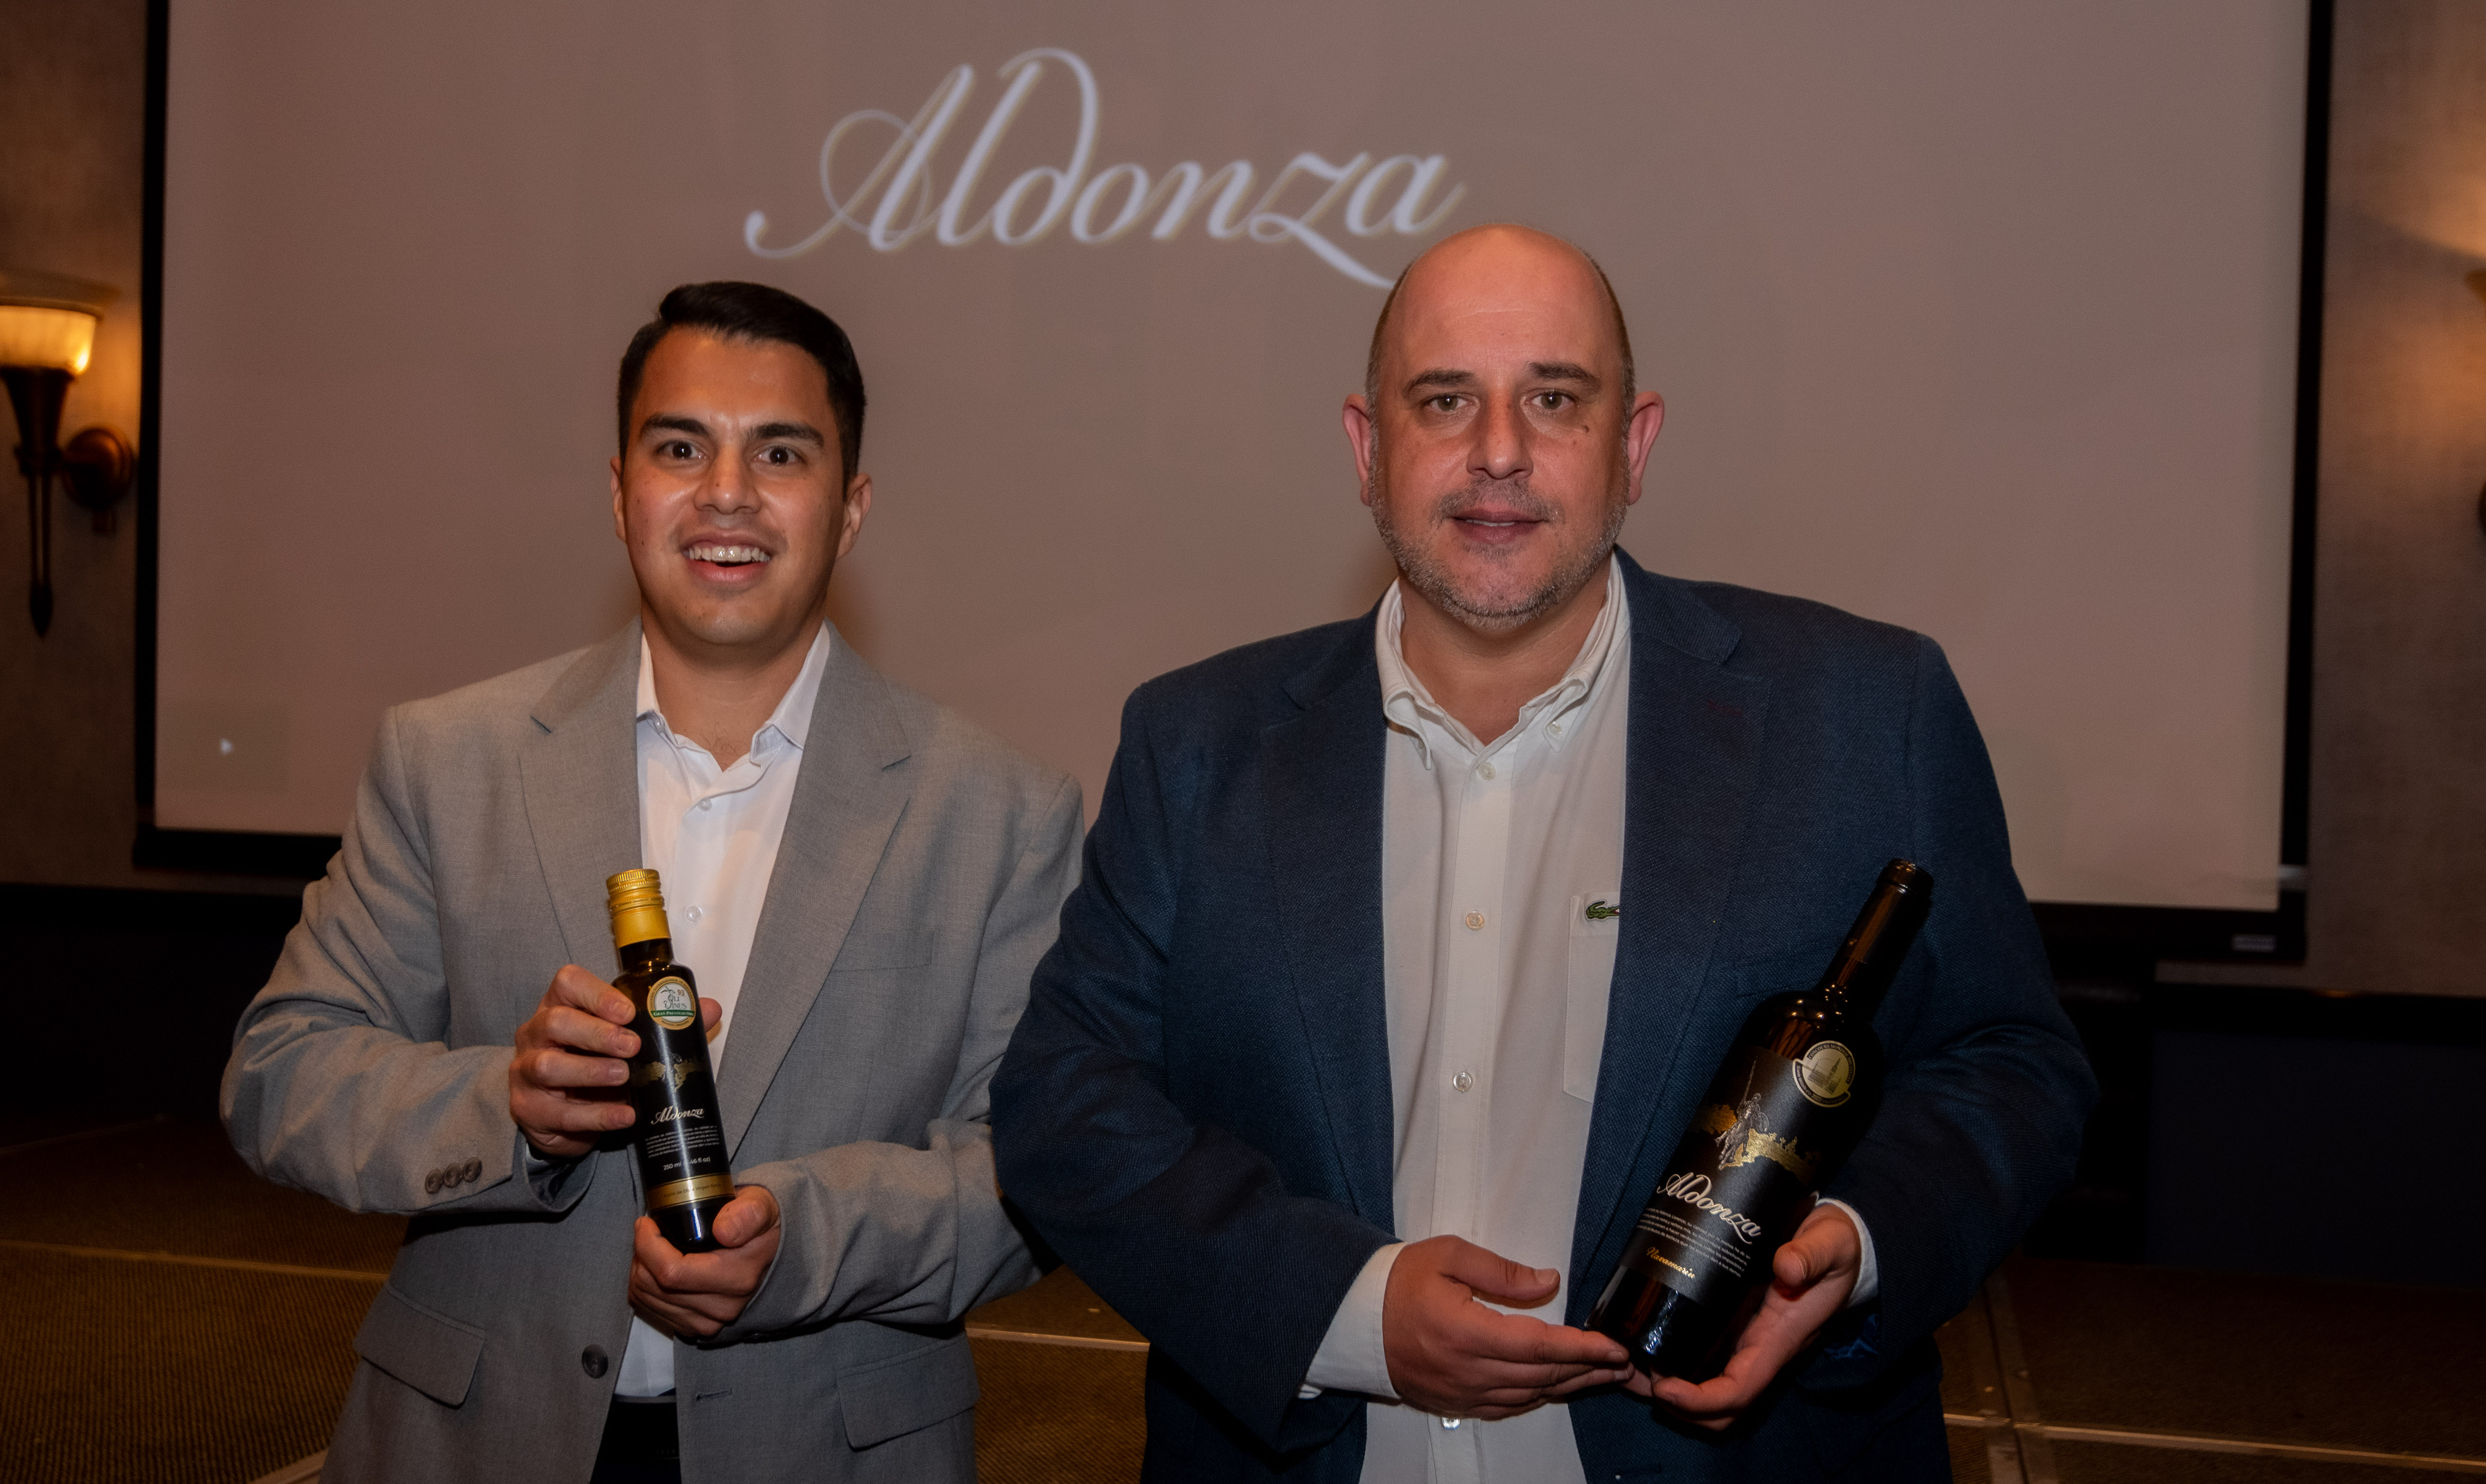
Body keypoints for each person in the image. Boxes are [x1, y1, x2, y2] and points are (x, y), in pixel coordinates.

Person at [990, 225, 2095, 1482]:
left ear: (1636, 445)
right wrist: (1344, 1311)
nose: (1499, 450)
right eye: (1444, 399)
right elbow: (1062, 1103)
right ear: (1367, 447)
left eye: (1556, 399)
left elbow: (2013, 1064)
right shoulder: (1194, 743)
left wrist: (1856, 1236)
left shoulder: (1864, 713)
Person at [223, 281, 1081, 1484]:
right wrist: (506, 1104)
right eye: (680, 448)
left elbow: (1036, 1170)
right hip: (472, 1442)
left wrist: (803, 1239)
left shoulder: (1000, 812)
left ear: (849, 509)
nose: (726, 491)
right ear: (621, 492)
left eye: (779, 452)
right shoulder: (446, 760)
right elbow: (282, 1071)